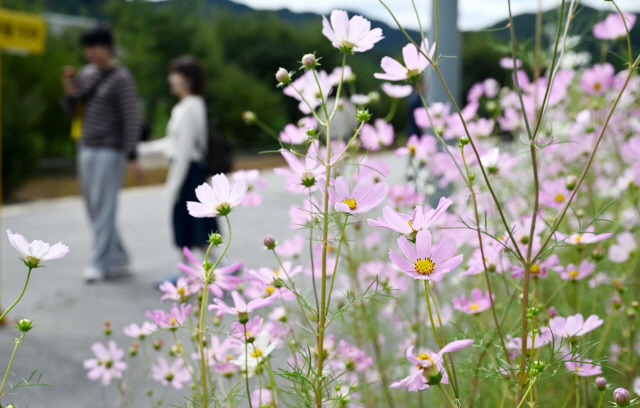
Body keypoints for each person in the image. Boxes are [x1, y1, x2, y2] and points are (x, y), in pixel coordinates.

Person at [62, 26, 143, 282]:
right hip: (86, 146)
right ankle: (117, 253)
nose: (90, 53)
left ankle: (99, 262)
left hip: (111, 150)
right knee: (93, 207)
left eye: (94, 47)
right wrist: (70, 94)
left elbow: (131, 119)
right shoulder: (87, 74)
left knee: (105, 206)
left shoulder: (122, 78)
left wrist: (132, 156)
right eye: (87, 48)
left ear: (107, 47)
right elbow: (73, 111)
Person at [138, 55, 218, 275]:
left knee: (191, 227)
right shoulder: (187, 106)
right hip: (191, 171)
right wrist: (141, 149)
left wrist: (173, 185)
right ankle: (198, 270)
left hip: (189, 173)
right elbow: (174, 144)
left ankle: (189, 273)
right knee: (195, 228)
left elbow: (182, 151)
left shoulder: (191, 106)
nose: (170, 79)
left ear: (187, 79)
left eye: (175, 74)